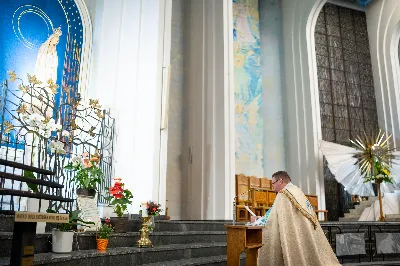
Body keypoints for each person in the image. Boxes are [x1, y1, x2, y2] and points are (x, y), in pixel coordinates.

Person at [253, 171, 340, 265]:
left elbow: (273, 219)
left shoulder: (283, 194)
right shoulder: (297, 191)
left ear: (280, 181)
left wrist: (260, 221)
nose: (272, 187)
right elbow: (276, 212)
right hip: (303, 232)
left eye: (273, 183)